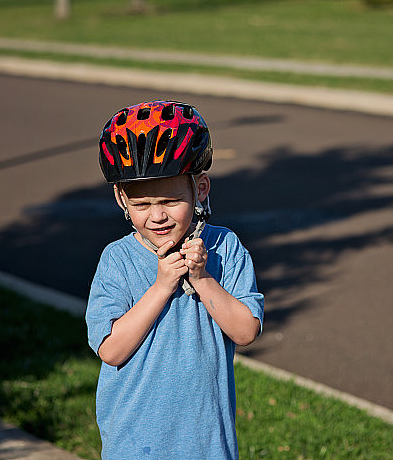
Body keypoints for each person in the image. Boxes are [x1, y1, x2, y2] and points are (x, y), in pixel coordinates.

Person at [86, 100, 264, 459]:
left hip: (207, 446)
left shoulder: (225, 247)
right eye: (141, 205)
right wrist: (162, 286)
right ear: (121, 199)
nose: (157, 216)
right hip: (134, 447)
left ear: (200, 188)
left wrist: (202, 277)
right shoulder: (118, 260)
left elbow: (246, 332)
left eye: (170, 200)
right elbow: (111, 350)